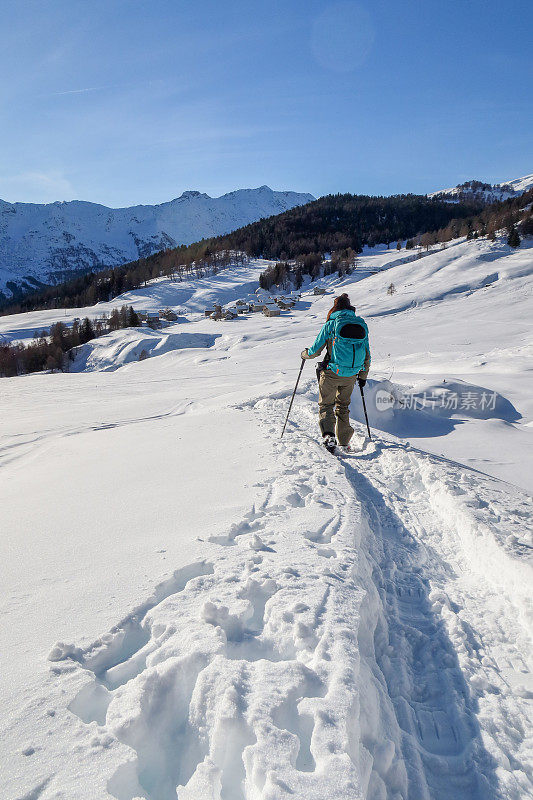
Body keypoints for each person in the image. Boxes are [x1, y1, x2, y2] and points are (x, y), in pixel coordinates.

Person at [301, 293, 370, 452]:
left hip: (332, 372)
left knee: (326, 405)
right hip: (351, 375)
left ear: (335, 307)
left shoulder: (331, 324)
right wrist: (363, 376)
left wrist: (304, 354)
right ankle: (344, 442)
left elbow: (315, 351)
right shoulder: (362, 325)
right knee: (343, 406)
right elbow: (367, 354)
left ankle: (329, 438)